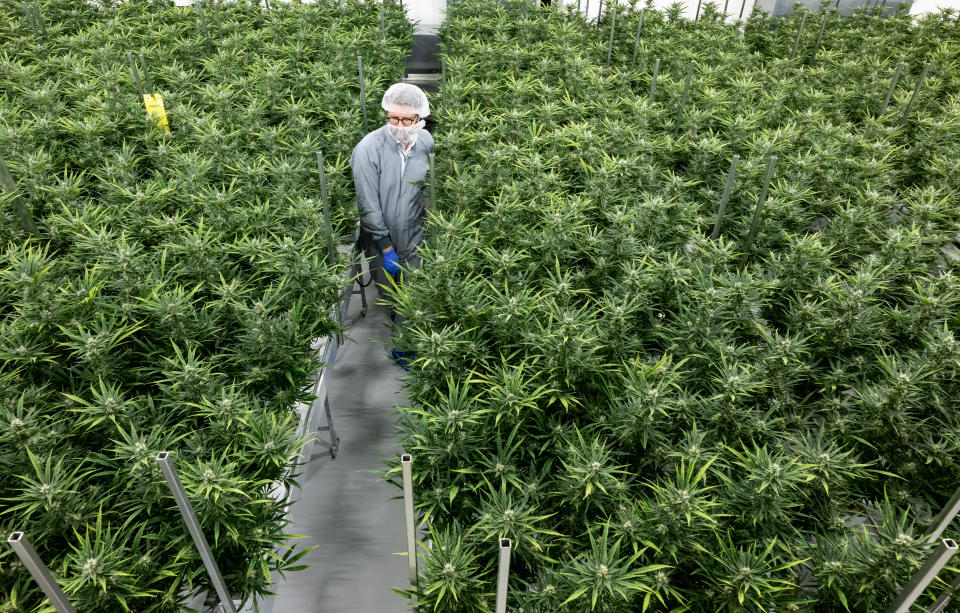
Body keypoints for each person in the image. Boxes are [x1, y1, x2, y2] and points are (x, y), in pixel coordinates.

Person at [350, 83, 434, 366]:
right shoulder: (367, 148)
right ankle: (400, 342)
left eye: (406, 120)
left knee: (415, 296)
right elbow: (368, 204)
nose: (398, 125)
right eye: (392, 118)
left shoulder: (425, 144)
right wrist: (385, 247)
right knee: (391, 294)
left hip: (416, 234)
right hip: (381, 239)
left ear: (419, 118)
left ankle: (408, 347)